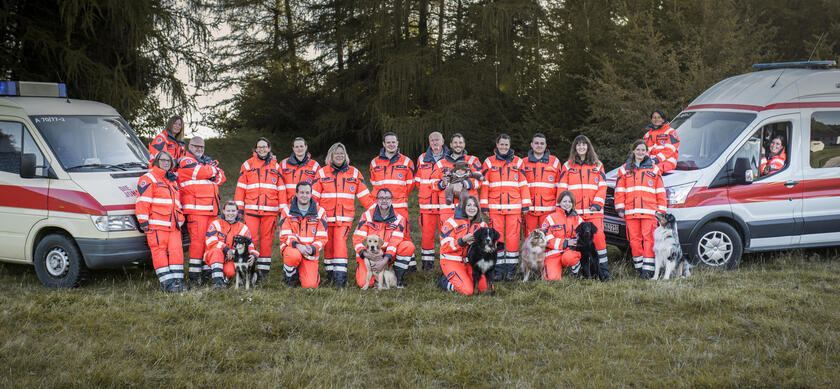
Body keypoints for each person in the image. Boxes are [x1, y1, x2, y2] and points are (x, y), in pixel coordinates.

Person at [312, 142, 374, 287]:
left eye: (342, 153)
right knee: (328, 248)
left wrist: (377, 211)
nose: (339, 156)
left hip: (344, 220)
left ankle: (340, 279)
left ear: (345, 155)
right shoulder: (321, 173)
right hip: (325, 219)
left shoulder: (354, 173)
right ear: (331, 155)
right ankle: (331, 275)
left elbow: (365, 197)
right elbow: (313, 198)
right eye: (336, 153)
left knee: (339, 245)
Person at [558, 135, 611, 281]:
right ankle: (581, 270)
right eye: (578, 145)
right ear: (575, 147)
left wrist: (597, 204)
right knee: (577, 241)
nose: (581, 147)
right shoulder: (567, 165)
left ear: (588, 147)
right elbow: (563, 188)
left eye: (584, 145)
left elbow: (602, 186)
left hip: (594, 211)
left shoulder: (598, 165)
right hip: (575, 213)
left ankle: (604, 272)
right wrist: (564, 207)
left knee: (599, 240)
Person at [234, 137, 287, 282]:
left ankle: (263, 272)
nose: (262, 149)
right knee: (249, 240)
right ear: (255, 149)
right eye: (259, 147)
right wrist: (239, 209)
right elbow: (240, 188)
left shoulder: (276, 166)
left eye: (265, 147)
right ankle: (247, 270)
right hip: (251, 211)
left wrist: (283, 211)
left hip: (270, 211)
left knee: (267, 241)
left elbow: (281, 190)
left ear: (269, 148)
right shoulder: (247, 165)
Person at [480, 134, 531, 281]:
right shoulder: (489, 162)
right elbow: (485, 186)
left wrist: (526, 204)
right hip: (495, 208)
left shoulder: (518, 162)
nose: (504, 147)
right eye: (501, 144)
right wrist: (484, 206)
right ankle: (497, 270)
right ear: (497, 145)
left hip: (514, 208)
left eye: (506, 145)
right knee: (496, 239)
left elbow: (523, 184)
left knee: (513, 239)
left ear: (510, 146)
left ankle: (510, 271)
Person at [615, 140, 667, 278]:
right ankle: (638, 267)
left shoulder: (654, 169)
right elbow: (619, 191)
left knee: (649, 239)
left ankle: (648, 270)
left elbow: (660, 192)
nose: (640, 152)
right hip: (631, 212)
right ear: (633, 151)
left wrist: (661, 212)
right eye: (637, 149)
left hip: (650, 212)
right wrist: (620, 208)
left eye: (643, 150)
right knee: (634, 240)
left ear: (646, 152)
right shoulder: (624, 169)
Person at [178, 136, 226, 286]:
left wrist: (211, 172)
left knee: (210, 241)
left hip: (211, 209)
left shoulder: (205, 162)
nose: (199, 149)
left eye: (202, 147)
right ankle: (194, 275)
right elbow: (200, 172)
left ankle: (207, 271)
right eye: (196, 146)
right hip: (196, 209)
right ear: (189, 146)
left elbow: (221, 177)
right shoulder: (185, 160)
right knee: (197, 243)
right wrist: (213, 171)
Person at [135, 150, 186, 292]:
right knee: (159, 253)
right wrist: (144, 222)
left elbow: (177, 203)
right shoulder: (148, 178)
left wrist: (180, 219)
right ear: (157, 161)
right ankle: (167, 284)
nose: (165, 163)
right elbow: (142, 201)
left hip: (174, 225)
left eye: (168, 161)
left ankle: (178, 283)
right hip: (157, 225)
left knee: (177, 253)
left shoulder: (171, 180)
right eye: (163, 160)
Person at [352, 188, 415, 288]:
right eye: (381, 198)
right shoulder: (367, 216)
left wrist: (384, 261)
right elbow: (357, 238)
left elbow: (395, 243)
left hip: (388, 255)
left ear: (391, 200)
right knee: (363, 283)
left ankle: (397, 279)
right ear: (376, 200)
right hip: (368, 254)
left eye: (387, 198)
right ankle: (377, 279)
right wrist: (366, 254)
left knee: (407, 246)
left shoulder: (399, 219)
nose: (384, 201)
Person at [369, 132, 415, 251]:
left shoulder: (406, 161)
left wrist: (400, 196)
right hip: (381, 206)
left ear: (397, 143)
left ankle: (408, 262)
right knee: (382, 232)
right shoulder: (374, 162)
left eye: (393, 142)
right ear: (384, 144)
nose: (391, 144)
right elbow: (373, 183)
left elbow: (410, 184)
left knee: (404, 233)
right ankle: (384, 257)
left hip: (400, 205)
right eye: (388, 142)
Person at [436, 196, 491, 295]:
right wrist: (462, 241)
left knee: (485, 288)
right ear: (463, 206)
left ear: (478, 208)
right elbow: (445, 246)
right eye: (468, 205)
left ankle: (463, 277)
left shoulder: (481, 224)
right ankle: (444, 281)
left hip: (470, 262)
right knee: (468, 291)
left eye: (475, 205)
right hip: (451, 260)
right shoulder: (451, 222)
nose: (472, 208)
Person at [278, 181, 329, 288]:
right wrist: (298, 245)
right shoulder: (286, 211)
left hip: (309, 252)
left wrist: (312, 248)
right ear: (296, 194)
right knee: (293, 256)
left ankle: (305, 271)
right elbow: (285, 235)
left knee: (310, 285)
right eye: (301, 192)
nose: (304, 196)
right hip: (293, 248)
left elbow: (322, 237)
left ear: (311, 194)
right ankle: (290, 274)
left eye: (307, 193)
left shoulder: (320, 212)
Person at [203, 200, 258, 289]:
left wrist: (253, 255)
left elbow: (250, 245)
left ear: (237, 212)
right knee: (216, 251)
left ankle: (225, 278)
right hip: (213, 256)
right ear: (223, 211)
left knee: (230, 272)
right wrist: (226, 249)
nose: (230, 213)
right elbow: (211, 241)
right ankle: (218, 284)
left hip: (230, 258)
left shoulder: (243, 228)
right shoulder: (216, 224)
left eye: (233, 211)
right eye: (228, 211)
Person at [415, 132, 449, 271]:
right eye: (432, 140)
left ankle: (446, 264)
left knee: (446, 236)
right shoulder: (422, 158)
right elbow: (418, 181)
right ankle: (427, 267)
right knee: (427, 237)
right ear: (429, 142)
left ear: (443, 141)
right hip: (427, 204)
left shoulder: (450, 158)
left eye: (437, 140)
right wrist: (426, 192)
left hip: (445, 205)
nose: (435, 143)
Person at [432, 133, 483, 225]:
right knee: (447, 236)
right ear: (451, 145)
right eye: (455, 142)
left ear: (464, 144)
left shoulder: (473, 161)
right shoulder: (440, 164)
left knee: (469, 235)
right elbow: (432, 183)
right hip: (447, 208)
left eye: (460, 142)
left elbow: (479, 181)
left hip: (468, 207)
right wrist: (443, 183)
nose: (458, 145)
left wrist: (463, 184)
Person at [521, 133, 562, 235]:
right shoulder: (523, 162)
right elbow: (520, 186)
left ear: (546, 145)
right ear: (531, 144)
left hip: (549, 209)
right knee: (530, 238)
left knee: (548, 237)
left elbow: (560, 187)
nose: (539, 145)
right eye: (536, 143)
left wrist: (559, 207)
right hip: (529, 210)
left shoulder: (555, 162)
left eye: (542, 143)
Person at [540, 191, 583, 280]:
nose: (567, 204)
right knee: (552, 279)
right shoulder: (550, 218)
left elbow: (583, 237)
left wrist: (576, 241)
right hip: (553, 253)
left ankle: (576, 268)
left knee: (569, 258)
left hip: (569, 252)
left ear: (573, 203)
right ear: (559, 202)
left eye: (570, 202)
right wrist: (566, 242)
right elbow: (546, 239)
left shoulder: (578, 219)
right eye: (564, 201)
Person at [280, 137, 321, 203]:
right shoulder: (283, 164)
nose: (299, 149)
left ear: (306, 147)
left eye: (301, 146)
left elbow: (317, 189)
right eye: (296, 147)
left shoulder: (315, 165)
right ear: (293, 148)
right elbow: (280, 187)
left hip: (307, 205)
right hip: (288, 204)